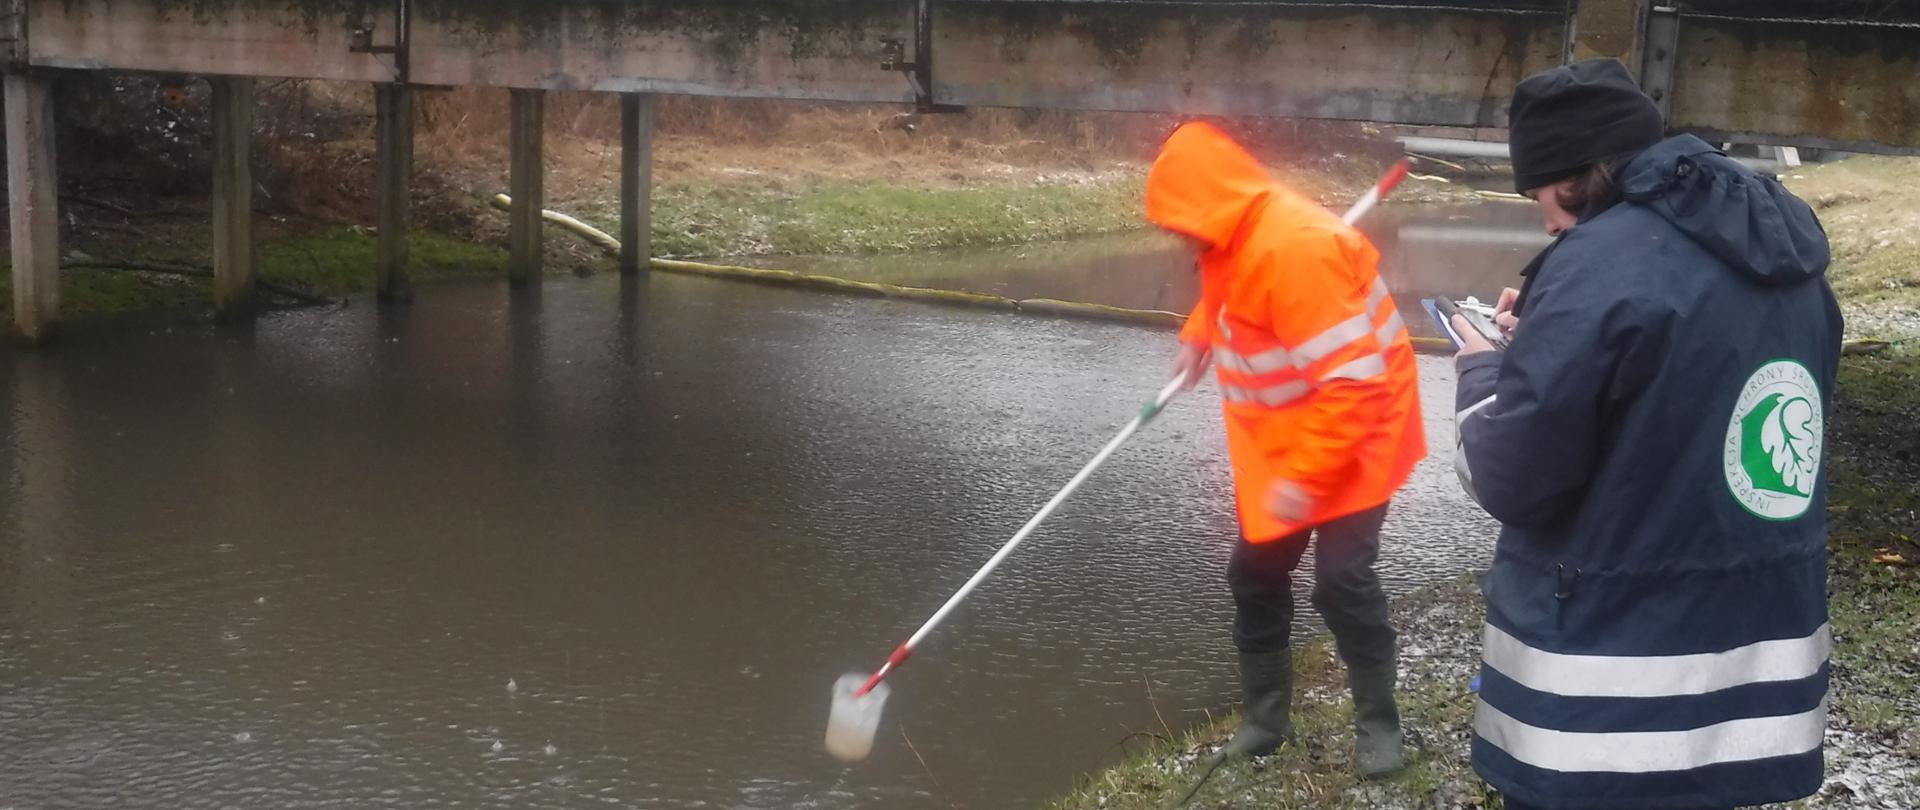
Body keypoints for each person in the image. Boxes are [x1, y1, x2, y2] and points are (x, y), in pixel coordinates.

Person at [1452, 59, 1841, 809]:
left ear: (1577, 174)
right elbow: (1686, 395)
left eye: (1540, 195)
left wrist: (1483, 371)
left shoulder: (1597, 266)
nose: (1544, 221)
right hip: (1754, 701)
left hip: (1603, 713)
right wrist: (1547, 332)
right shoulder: (1787, 249)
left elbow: (1511, 477)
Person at [1146, 122, 1426, 777]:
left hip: (1361, 428)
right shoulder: (1235, 235)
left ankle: (1379, 729)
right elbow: (1236, 290)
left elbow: (1355, 387)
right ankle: (1265, 724)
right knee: (1255, 573)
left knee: (1342, 581)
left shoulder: (1297, 249)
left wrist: (1304, 479)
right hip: (1296, 435)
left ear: (1208, 208)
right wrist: (1199, 332)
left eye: (1178, 222)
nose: (1174, 236)